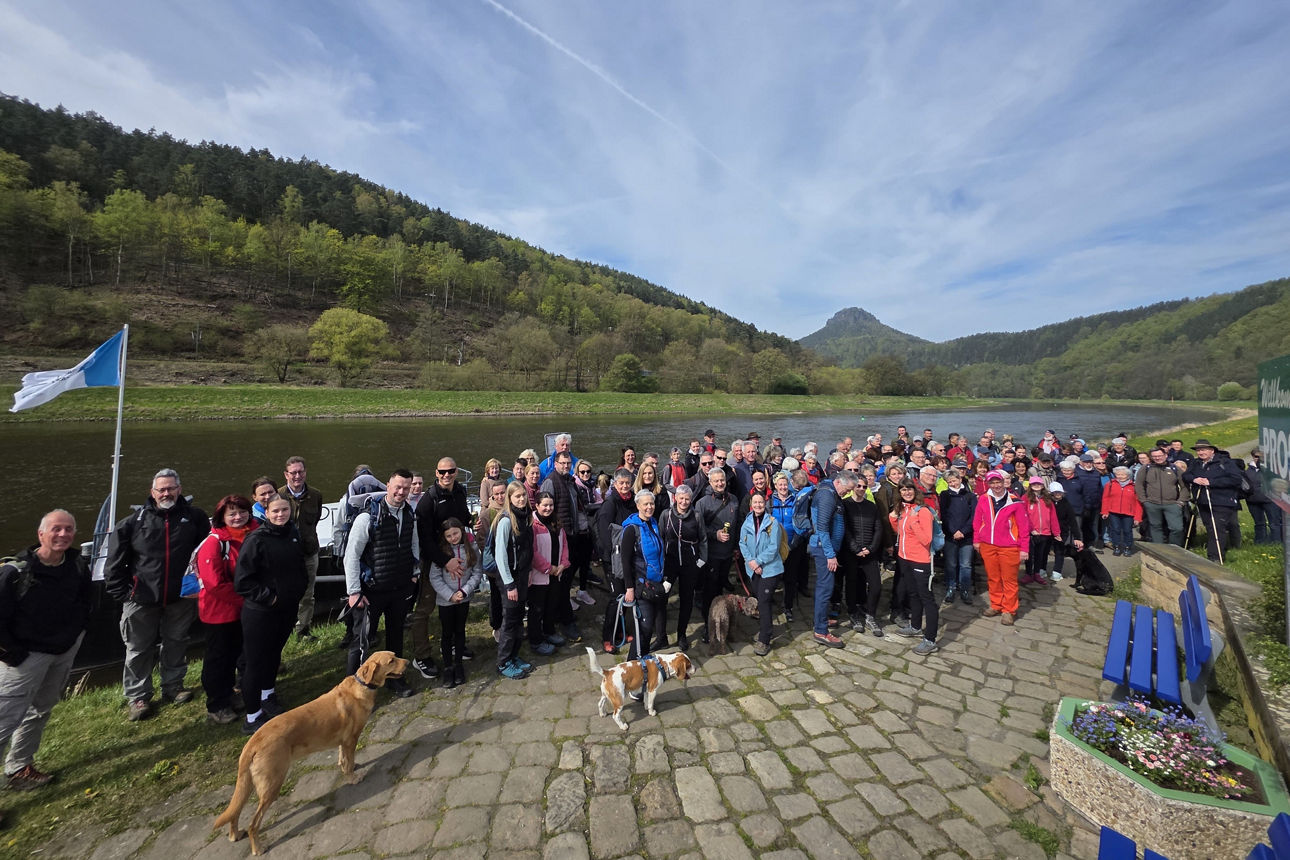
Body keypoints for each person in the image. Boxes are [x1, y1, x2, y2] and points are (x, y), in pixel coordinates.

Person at [106, 468, 211, 721]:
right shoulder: (132, 523)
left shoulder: (194, 517)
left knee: (176, 641)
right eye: (161, 489)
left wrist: (200, 585)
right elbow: (114, 564)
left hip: (180, 597)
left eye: (171, 488)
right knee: (138, 648)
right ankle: (138, 696)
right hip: (141, 598)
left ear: (179, 489)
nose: (166, 493)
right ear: (152, 492)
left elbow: (206, 551)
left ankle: (173, 686)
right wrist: (126, 593)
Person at [0, 510, 92, 791]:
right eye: (56, 529)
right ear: (41, 534)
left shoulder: (76, 565)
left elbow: (86, 602)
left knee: (40, 710)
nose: (63, 535)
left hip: (62, 652)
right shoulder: (15, 572)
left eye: (68, 529)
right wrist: (12, 654)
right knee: (4, 720)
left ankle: (19, 767)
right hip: (24, 658)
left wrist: (76, 636)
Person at [234, 494, 308, 734]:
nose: (280, 515)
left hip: (286, 609)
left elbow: (298, 566)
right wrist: (270, 597)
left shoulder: (292, 533)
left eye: (284, 510)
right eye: (275, 511)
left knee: (274, 654)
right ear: (266, 513)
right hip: (261, 612)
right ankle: (252, 715)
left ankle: (268, 694)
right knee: (255, 662)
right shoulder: (256, 540)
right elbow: (243, 582)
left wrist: (298, 590)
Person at [343, 469, 419, 697]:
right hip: (372, 590)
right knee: (362, 641)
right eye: (397, 486)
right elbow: (352, 555)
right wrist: (354, 591)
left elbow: (413, 544)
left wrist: (414, 573)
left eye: (406, 488)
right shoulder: (367, 517)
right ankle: (351, 689)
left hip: (399, 587)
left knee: (396, 635)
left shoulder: (409, 513)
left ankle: (396, 680)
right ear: (387, 486)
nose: (401, 492)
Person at [196, 495, 257, 725]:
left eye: (242, 512)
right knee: (218, 659)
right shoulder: (214, 543)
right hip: (219, 613)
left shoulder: (253, 534)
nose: (238, 517)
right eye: (231, 513)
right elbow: (214, 584)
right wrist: (246, 600)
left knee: (235, 654)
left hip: (243, 610)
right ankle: (217, 704)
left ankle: (230, 693)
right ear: (222, 517)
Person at [411, 457, 472, 680]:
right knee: (425, 609)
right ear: (436, 473)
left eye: (451, 471)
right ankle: (422, 656)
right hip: (436, 561)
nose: (447, 475)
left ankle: (457, 645)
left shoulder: (460, 492)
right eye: (442, 472)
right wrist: (445, 561)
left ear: (456, 472)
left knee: (459, 601)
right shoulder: (428, 501)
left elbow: (463, 518)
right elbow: (424, 540)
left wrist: (472, 523)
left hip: (458, 555)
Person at [427, 518, 483, 689]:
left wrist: (465, 591)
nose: (453, 538)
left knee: (460, 631)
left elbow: (477, 571)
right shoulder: (442, 553)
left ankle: (458, 664)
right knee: (446, 633)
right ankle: (448, 667)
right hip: (446, 601)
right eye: (449, 536)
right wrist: (449, 595)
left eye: (456, 533)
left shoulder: (470, 548)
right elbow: (434, 577)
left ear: (462, 531)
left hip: (463, 597)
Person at [973, 470, 1030, 626]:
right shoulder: (984, 498)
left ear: (1005, 482)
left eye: (998, 482)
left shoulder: (1015, 502)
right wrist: (976, 540)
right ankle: (996, 604)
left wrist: (1024, 549)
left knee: (1009, 580)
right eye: (992, 482)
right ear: (988, 484)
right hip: (987, 545)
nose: (996, 485)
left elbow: (1024, 527)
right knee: (993, 577)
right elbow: (977, 520)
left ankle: (1009, 610)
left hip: (1009, 547)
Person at [809, 471, 857, 649]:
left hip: (827, 548)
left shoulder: (830, 490)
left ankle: (821, 620)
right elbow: (822, 527)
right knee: (825, 588)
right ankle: (821, 630)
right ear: (838, 482)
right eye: (848, 489)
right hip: (823, 549)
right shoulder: (828, 496)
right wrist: (830, 554)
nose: (848, 493)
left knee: (826, 587)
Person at [278, 456, 323, 642]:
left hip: (309, 552)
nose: (297, 476)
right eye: (293, 472)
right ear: (286, 474)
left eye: (301, 472)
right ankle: (283, 631)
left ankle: (303, 630)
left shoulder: (316, 495)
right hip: (284, 556)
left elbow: (316, 519)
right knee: (284, 595)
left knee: (308, 594)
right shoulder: (277, 495)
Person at [890, 480, 938, 656]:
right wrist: (894, 517)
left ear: (914, 491)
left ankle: (930, 639)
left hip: (920, 561)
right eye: (903, 489)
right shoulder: (904, 509)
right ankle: (916, 626)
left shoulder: (923, 511)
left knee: (927, 598)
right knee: (912, 594)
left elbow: (926, 539)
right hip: (904, 558)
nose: (906, 492)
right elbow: (900, 532)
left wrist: (913, 522)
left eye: (909, 489)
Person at [493, 482, 535, 679]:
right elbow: (501, 556)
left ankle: (514, 655)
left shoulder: (525, 517)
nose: (521, 499)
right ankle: (503, 662)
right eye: (517, 496)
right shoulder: (505, 521)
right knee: (509, 621)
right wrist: (509, 584)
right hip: (510, 579)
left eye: (523, 496)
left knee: (519, 619)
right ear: (509, 499)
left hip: (522, 575)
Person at [619, 490, 668, 658]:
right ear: (638, 505)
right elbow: (625, 561)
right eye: (645, 504)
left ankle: (644, 662)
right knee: (644, 628)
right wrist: (629, 588)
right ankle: (631, 663)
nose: (649, 507)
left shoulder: (653, 523)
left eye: (652, 503)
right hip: (641, 586)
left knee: (650, 627)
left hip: (656, 584)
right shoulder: (631, 530)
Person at [695, 466, 741, 642]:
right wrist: (715, 534)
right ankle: (708, 627)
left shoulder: (734, 500)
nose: (720, 483)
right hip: (711, 555)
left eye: (722, 480)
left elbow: (736, 526)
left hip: (728, 555)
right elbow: (697, 530)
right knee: (710, 593)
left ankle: (722, 622)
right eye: (716, 481)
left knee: (721, 591)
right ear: (710, 482)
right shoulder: (702, 503)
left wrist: (736, 547)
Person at [659, 484, 707, 651]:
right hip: (670, 563)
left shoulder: (697, 516)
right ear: (676, 498)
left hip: (690, 564)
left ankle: (681, 634)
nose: (684, 501)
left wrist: (701, 560)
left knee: (687, 600)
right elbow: (660, 538)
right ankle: (661, 635)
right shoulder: (666, 515)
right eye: (681, 498)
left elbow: (703, 539)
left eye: (687, 499)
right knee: (662, 598)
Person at [1182, 439, 1244, 563]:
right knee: (1210, 527)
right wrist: (1195, 479)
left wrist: (1212, 483)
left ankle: (1214, 557)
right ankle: (1219, 549)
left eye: (1203, 450)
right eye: (1198, 450)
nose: (1200, 453)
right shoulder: (1196, 463)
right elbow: (1185, 476)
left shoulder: (1224, 462)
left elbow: (1236, 479)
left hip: (1222, 501)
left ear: (1212, 450)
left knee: (1217, 527)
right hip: (1202, 501)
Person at [739, 493, 783, 657]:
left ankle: (765, 638)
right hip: (752, 568)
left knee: (764, 601)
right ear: (751, 504)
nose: (758, 505)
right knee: (760, 598)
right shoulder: (747, 521)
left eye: (761, 502)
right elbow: (742, 543)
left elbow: (773, 547)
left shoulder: (773, 523)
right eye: (755, 502)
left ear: (765, 503)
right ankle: (766, 625)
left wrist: (758, 561)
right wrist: (750, 561)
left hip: (769, 568)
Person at [839, 475, 883, 635]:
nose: (861, 489)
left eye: (865, 487)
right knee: (851, 583)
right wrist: (855, 548)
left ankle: (871, 615)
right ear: (853, 487)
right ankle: (853, 613)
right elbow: (845, 529)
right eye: (858, 486)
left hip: (869, 552)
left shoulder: (872, 506)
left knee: (876, 586)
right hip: (852, 551)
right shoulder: (845, 504)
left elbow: (878, 528)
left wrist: (871, 548)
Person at [527, 492, 569, 657]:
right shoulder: (532, 525)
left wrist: (563, 564)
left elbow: (564, 544)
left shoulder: (556, 522)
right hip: (540, 575)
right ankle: (536, 641)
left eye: (551, 505)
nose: (548, 508)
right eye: (544, 505)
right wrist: (548, 568)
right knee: (537, 609)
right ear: (537, 505)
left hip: (556, 572)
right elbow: (533, 551)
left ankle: (549, 631)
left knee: (551, 605)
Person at [769, 471, 805, 623]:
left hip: (792, 544)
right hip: (775, 546)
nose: (783, 487)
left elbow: (803, 521)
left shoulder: (796, 500)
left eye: (785, 484)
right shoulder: (769, 502)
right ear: (775, 486)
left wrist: (794, 543)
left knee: (790, 578)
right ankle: (768, 603)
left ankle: (788, 606)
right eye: (780, 484)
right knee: (773, 576)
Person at [938, 468, 975, 605]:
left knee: (965, 565)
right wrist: (953, 531)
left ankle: (965, 589)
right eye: (949, 482)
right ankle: (951, 588)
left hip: (967, 536)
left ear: (960, 480)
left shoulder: (970, 496)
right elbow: (944, 515)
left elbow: (973, 516)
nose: (952, 483)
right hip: (950, 535)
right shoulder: (944, 495)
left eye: (954, 480)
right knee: (951, 564)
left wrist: (963, 531)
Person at [1021, 478, 1060, 585]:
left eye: (1039, 484)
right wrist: (1031, 529)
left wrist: (1056, 532)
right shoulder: (1025, 498)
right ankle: (1028, 573)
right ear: (1030, 486)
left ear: (1043, 486)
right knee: (1030, 554)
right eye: (1034, 484)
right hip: (1032, 532)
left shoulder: (1047, 499)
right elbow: (1023, 516)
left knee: (1040, 554)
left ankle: (1037, 573)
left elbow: (1053, 516)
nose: (1037, 486)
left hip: (1045, 532)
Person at [1247, 448, 1284, 544]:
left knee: (1274, 523)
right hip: (1253, 500)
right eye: (1256, 456)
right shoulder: (1248, 470)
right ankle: (1260, 541)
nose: (1258, 459)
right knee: (1259, 523)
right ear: (1252, 457)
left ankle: (1276, 541)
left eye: (1261, 457)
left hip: (1270, 499)